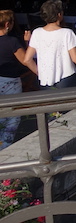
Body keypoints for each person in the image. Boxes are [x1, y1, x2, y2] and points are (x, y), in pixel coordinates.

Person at [24, 0, 76, 89]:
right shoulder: (67, 33)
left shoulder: (37, 32)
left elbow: (27, 60)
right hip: (67, 79)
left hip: (45, 81)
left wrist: (40, 73)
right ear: (59, 15)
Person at [0, 10, 36, 146]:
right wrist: (28, 42)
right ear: (7, 24)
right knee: (12, 117)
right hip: (10, 82)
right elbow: (25, 60)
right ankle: (5, 146)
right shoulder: (12, 42)